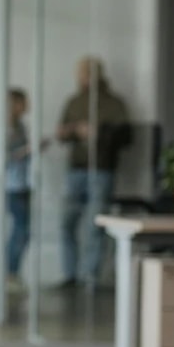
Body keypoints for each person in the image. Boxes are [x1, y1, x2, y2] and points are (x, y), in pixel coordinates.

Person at [56, 56, 130, 288]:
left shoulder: (113, 103)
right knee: (67, 222)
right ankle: (70, 275)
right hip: (76, 169)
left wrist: (99, 132)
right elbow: (60, 133)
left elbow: (126, 136)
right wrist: (73, 131)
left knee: (95, 224)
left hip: (101, 169)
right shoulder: (74, 101)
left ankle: (91, 276)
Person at [5, 88, 33, 291]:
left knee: (23, 231)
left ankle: (12, 272)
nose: (26, 106)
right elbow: (6, 157)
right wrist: (27, 150)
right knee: (21, 231)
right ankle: (10, 273)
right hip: (12, 186)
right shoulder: (7, 128)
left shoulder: (21, 126)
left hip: (23, 183)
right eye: (23, 102)